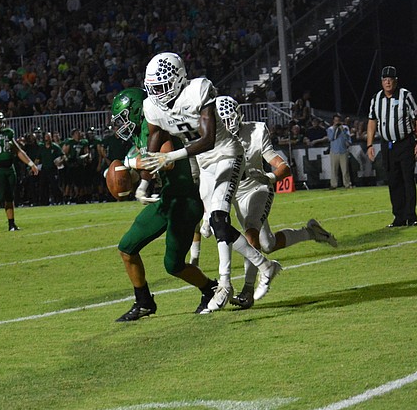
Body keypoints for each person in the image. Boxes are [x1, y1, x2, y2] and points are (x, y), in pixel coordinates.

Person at [138, 52, 282, 313]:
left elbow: (208, 137)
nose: (158, 94)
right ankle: (262, 267)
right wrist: (143, 183)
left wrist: (173, 155)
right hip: (204, 164)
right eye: (153, 88)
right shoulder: (153, 106)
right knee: (218, 226)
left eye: (162, 86)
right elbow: (155, 137)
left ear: (178, 79)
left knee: (217, 217)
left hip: (227, 154)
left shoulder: (197, 90)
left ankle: (226, 284)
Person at [215, 96, 338, 308]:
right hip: (233, 195)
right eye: (222, 121)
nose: (227, 125)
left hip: (258, 188)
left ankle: (247, 289)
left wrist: (270, 177)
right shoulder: (212, 139)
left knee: (251, 232)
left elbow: (282, 166)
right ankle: (311, 232)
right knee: (268, 244)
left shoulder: (255, 131)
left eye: (229, 120)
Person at [110, 87, 219, 321]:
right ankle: (144, 302)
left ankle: (210, 288)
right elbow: (141, 164)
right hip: (168, 199)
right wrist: (137, 182)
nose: (121, 124)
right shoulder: (141, 132)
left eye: (123, 117)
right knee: (127, 248)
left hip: (186, 201)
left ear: (137, 110)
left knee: (173, 265)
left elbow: (166, 161)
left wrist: (133, 162)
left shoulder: (158, 125)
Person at [366, 66, 417, 227]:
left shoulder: (405, 95)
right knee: (393, 181)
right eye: (385, 79)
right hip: (387, 145)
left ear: (396, 80)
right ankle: (399, 217)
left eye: (390, 79)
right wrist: (369, 144)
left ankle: (411, 217)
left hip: (405, 143)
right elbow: (372, 121)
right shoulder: (376, 99)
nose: (387, 82)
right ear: (381, 82)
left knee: (407, 180)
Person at [313, 114, 353, 189]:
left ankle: (347, 184)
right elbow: (331, 138)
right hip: (334, 151)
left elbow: (348, 138)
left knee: (345, 170)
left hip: (343, 151)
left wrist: (342, 130)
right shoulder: (330, 129)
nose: (337, 122)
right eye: (336, 120)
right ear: (333, 121)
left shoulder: (345, 128)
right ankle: (333, 184)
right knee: (334, 170)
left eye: (338, 120)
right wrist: (335, 129)